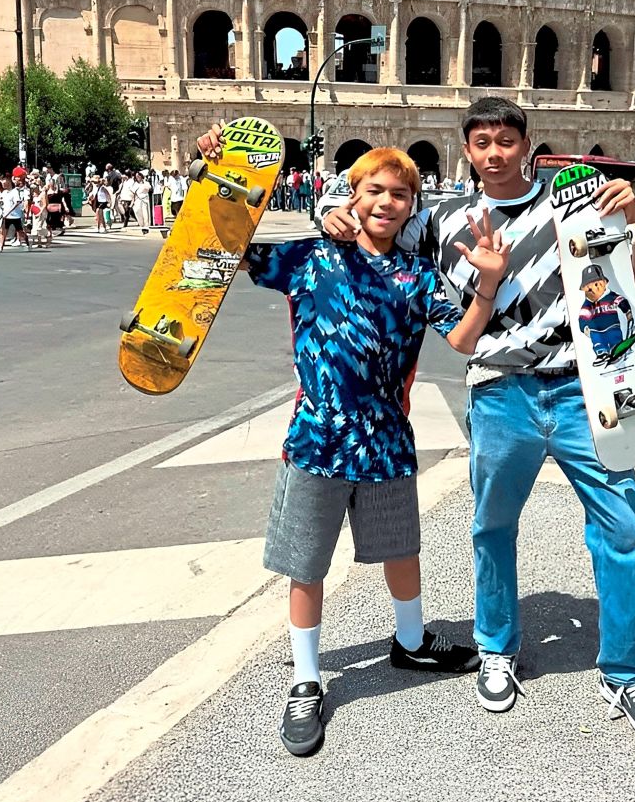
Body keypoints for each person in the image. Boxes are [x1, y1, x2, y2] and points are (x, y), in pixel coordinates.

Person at [321, 97, 635, 743]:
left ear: (527, 144)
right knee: (492, 528)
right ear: (467, 151)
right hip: (499, 392)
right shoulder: (442, 219)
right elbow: (372, 224)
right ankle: (497, 650)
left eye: (505, 140)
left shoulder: (577, 203)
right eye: (481, 142)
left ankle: (625, 675)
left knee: (626, 530)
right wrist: (332, 212)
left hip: (583, 390)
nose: (493, 152)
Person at [194, 136, 511, 758]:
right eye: (375, 191)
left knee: (401, 549)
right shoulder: (313, 260)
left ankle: (411, 641)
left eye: (400, 194)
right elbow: (227, 244)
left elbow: (465, 341)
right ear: (352, 195)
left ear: (412, 206)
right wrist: (216, 170)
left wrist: (486, 287)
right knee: (306, 564)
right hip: (316, 440)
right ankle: (307, 680)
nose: (387, 203)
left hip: (388, 441)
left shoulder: (418, 276)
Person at [0, 175, 30, 252]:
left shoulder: (15, 192)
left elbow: (17, 203)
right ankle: (1, 247)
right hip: (6, 216)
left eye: (4, 181)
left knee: (20, 232)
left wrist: (8, 212)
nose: (2, 183)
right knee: (3, 231)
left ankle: (28, 244)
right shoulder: (5, 192)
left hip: (15, 216)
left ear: (9, 182)